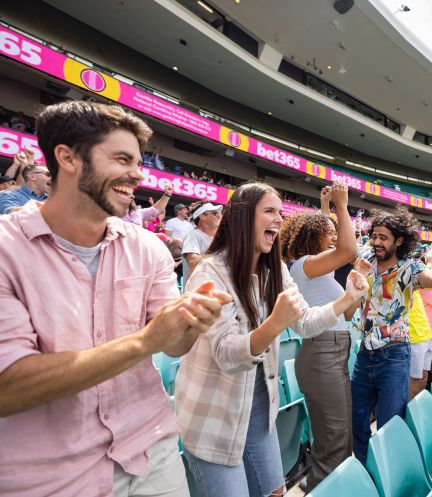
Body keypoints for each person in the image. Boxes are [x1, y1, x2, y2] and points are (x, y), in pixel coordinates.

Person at [0, 100, 230, 496]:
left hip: (150, 452)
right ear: (67, 157)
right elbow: (8, 387)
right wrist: (147, 340)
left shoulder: (148, 248)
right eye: (123, 159)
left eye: (139, 163)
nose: (137, 175)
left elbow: (174, 346)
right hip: (47, 475)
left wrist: (189, 323)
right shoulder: (6, 248)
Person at [175, 182, 369, 497]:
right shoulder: (209, 273)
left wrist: (348, 299)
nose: (279, 219)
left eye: (280, 212)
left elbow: (305, 323)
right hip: (215, 422)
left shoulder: (275, 268)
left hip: (259, 411)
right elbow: (226, 354)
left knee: (274, 492)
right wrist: (274, 324)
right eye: (269, 211)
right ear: (241, 217)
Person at [351, 207, 432, 464]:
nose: (376, 242)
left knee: (389, 426)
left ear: (400, 240)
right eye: (374, 236)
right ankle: (364, 473)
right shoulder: (365, 257)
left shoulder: (410, 269)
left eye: (383, 237)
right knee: (357, 421)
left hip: (394, 356)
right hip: (364, 355)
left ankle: (386, 478)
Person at [278, 182, 358, 492]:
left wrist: (326, 210)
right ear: (315, 239)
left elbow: (346, 315)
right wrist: (342, 205)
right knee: (332, 439)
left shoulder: (317, 268)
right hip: (322, 355)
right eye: (330, 231)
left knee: (338, 434)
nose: (337, 234)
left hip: (334, 353)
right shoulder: (303, 266)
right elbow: (347, 249)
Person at [181, 201, 222, 283]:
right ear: (202, 216)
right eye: (214, 213)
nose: (218, 215)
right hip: (197, 292)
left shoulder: (221, 238)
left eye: (218, 212)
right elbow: (193, 262)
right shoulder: (193, 235)